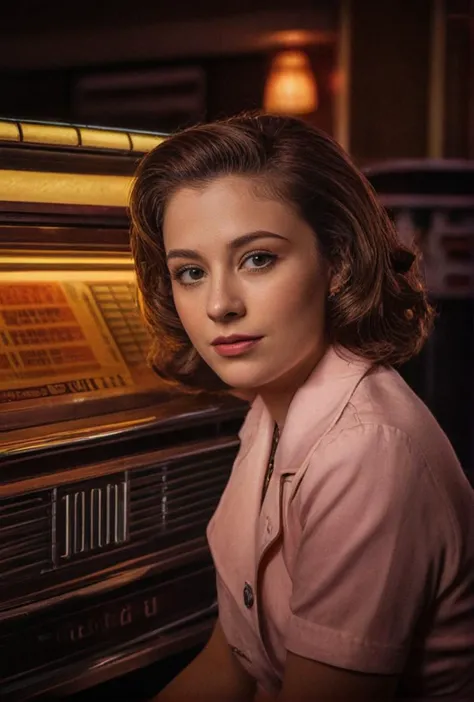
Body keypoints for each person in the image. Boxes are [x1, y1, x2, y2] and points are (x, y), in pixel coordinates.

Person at [129, 113, 474, 702]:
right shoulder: (271, 409)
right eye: (190, 272)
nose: (219, 305)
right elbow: (233, 662)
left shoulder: (366, 449)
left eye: (257, 259)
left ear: (337, 261)